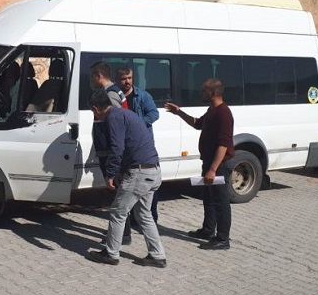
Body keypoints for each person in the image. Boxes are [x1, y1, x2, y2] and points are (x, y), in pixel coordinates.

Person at [86, 89, 166, 268]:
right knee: (144, 214)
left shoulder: (113, 117)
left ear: (96, 108)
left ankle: (111, 254)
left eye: (93, 112)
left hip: (140, 173)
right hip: (153, 170)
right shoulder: (124, 113)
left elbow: (117, 148)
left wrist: (111, 174)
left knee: (118, 212)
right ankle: (157, 255)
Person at [165, 78, 234, 250]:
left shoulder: (223, 113)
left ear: (214, 93)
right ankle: (208, 230)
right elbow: (198, 124)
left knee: (221, 201)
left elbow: (223, 144)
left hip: (219, 165)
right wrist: (179, 112)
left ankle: (223, 239)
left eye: (204, 90)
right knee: (209, 198)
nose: (201, 93)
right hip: (209, 162)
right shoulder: (212, 110)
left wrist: (213, 169)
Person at [89, 61, 133, 245]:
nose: (91, 80)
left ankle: (122, 235)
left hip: (111, 152)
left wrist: (113, 156)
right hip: (109, 151)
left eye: (92, 76)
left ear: (98, 75)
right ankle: (121, 233)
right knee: (116, 195)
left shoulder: (110, 94)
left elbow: (117, 125)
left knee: (116, 195)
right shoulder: (113, 91)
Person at [116, 66, 161, 224]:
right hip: (125, 145)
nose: (127, 81)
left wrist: (137, 124)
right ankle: (132, 218)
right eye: (123, 79)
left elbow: (154, 113)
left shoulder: (142, 95)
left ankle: (151, 218)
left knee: (147, 185)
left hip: (142, 144)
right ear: (117, 80)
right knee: (129, 184)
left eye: (129, 78)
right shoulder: (115, 96)